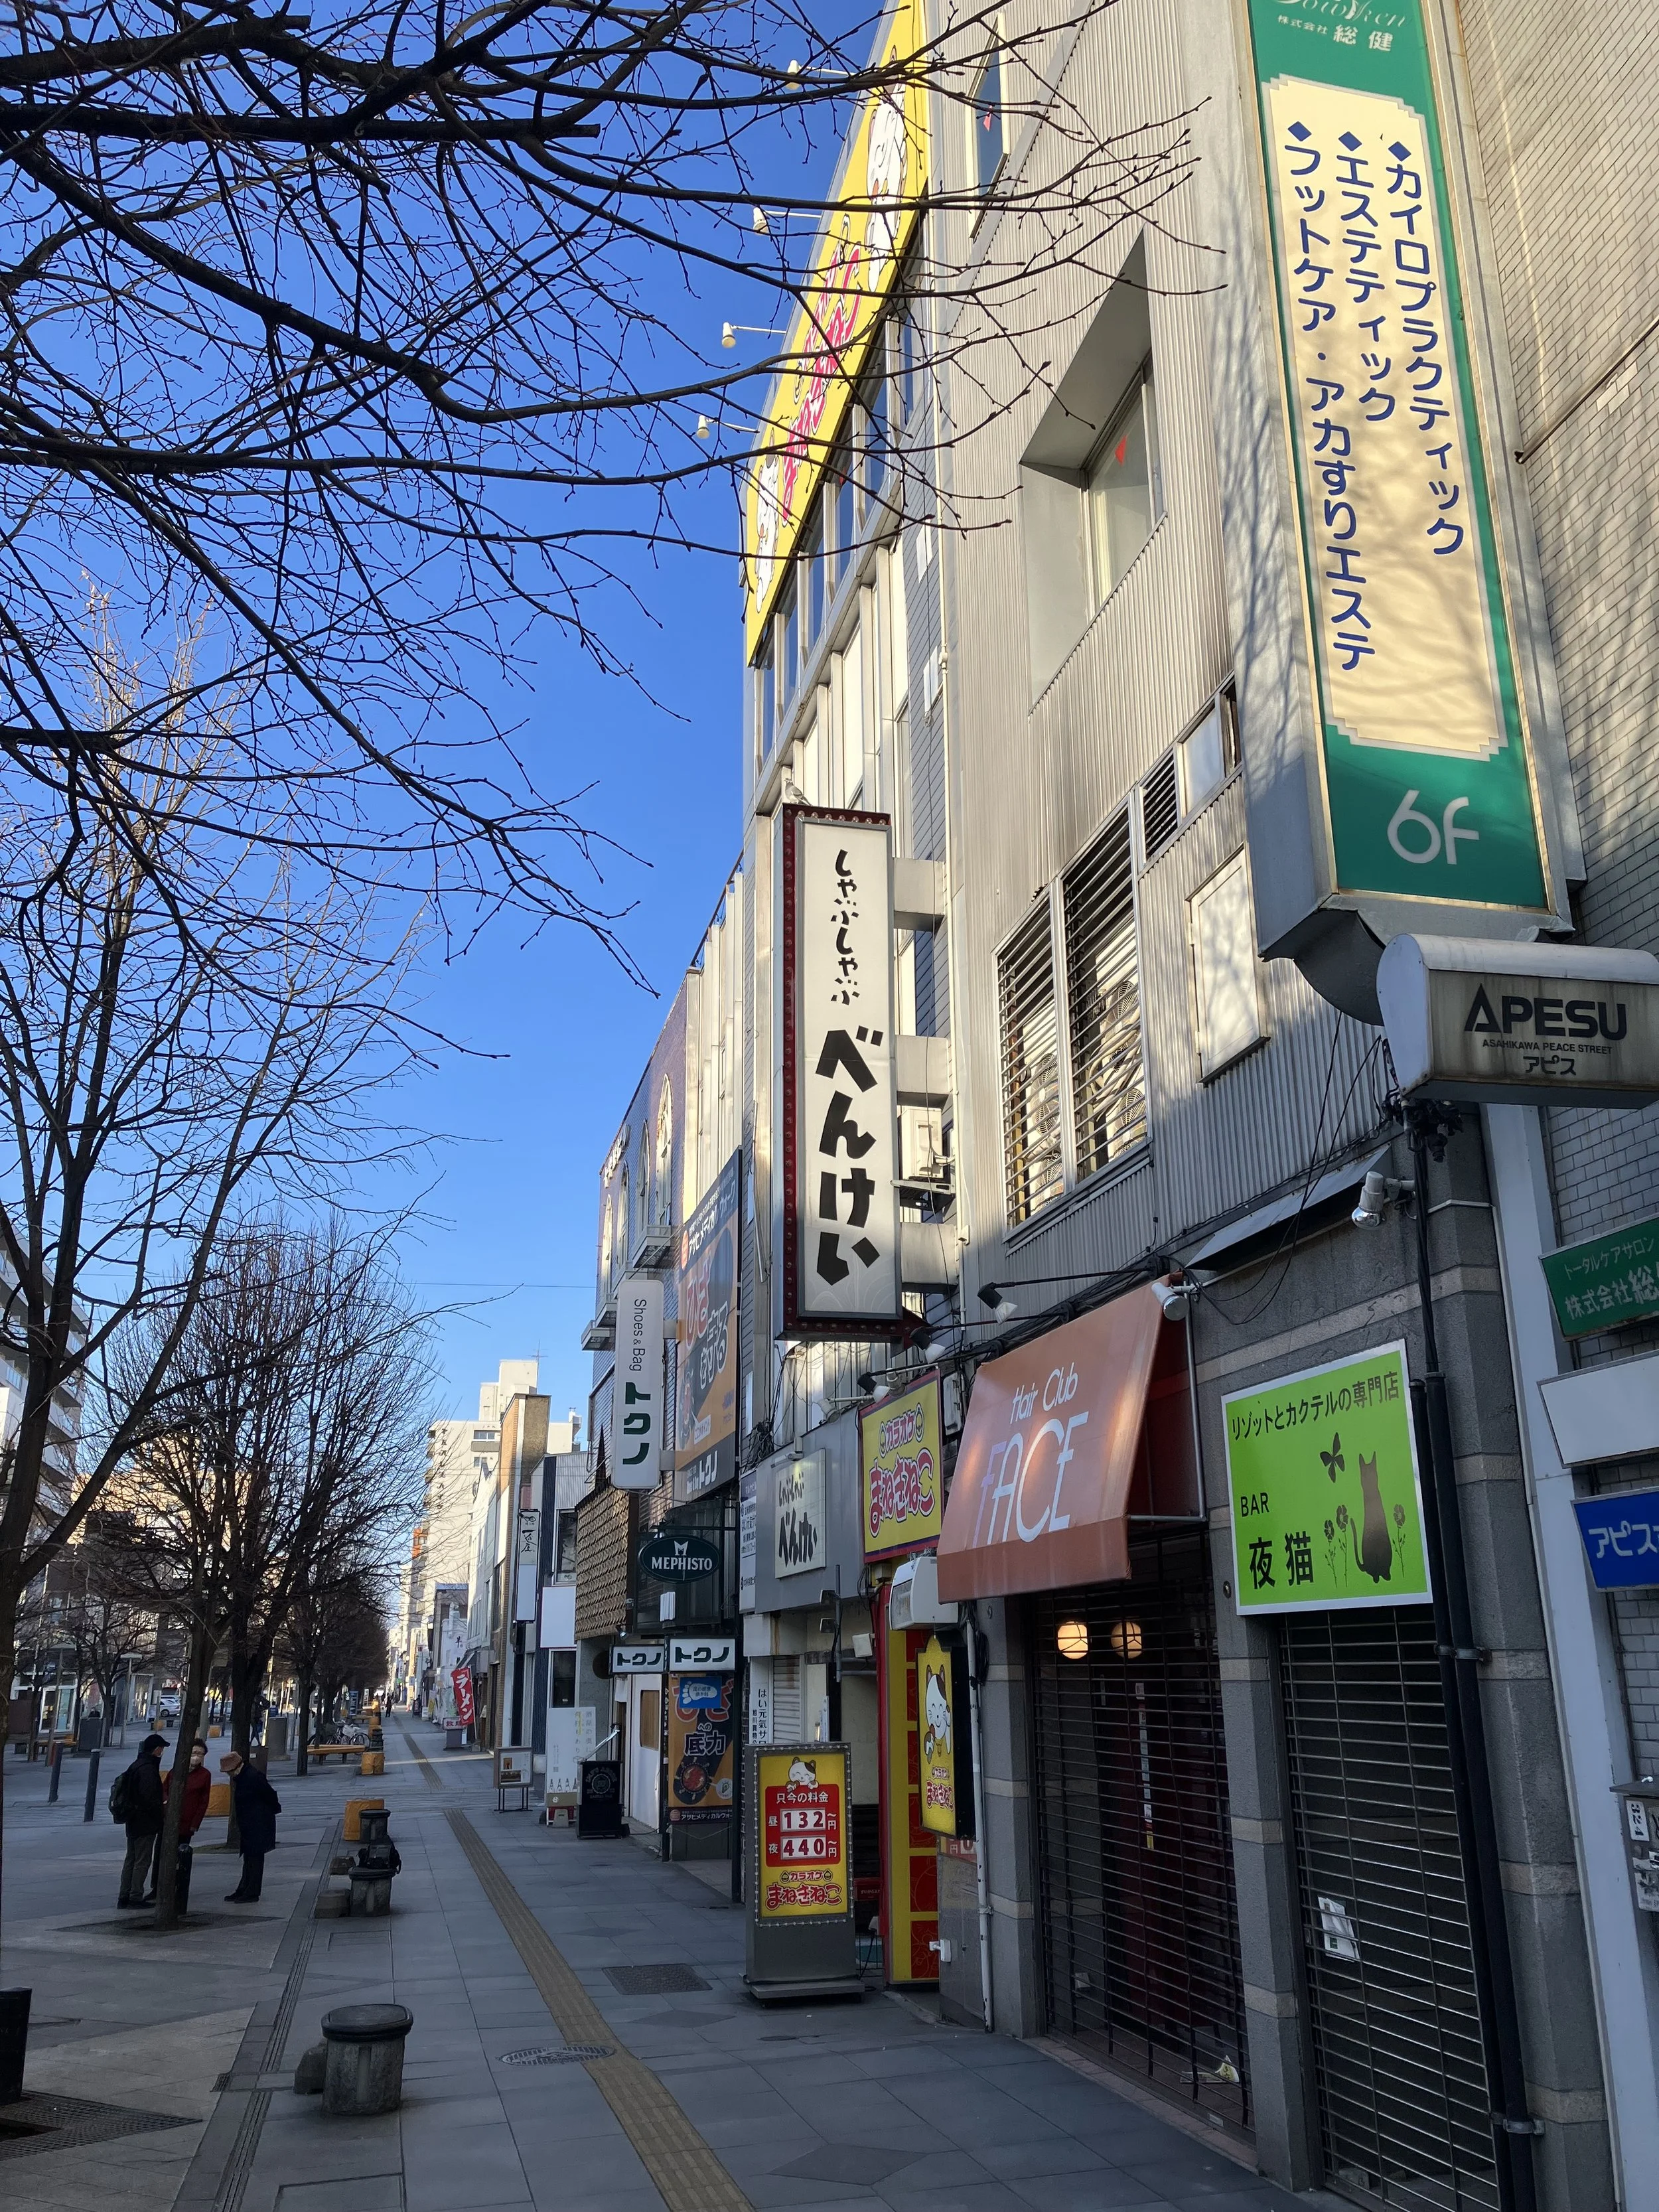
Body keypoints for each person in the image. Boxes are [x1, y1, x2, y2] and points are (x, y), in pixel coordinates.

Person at [115, 1733, 167, 1908]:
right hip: (145, 1822)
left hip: (132, 1819)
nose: (162, 1752)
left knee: (131, 1858)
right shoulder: (148, 1769)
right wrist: (159, 1818)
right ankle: (135, 1896)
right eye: (161, 1749)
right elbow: (150, 1799)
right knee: (142, 1861)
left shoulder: (136, 1765)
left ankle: (124, 1895)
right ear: (156, 1750)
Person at [221, 1750, 281, 1901]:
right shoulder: (243, 1777)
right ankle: (244, 1888)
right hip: (250, 1822)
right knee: (249, 1857)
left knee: (255, 1858)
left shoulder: (252, 1777)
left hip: (258, 1822)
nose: (229, 1775)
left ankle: (252, 1892)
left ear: (236, 1767)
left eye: (229, 1771)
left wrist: (271, 1810)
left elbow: (270, 1795)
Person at [167, 1739, 213, 1912]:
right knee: (164, 1856)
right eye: (194, 1753)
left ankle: (178, 1887)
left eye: (200, 1754)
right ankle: (160, 1887)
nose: (196, 1757)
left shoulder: (204, 1775)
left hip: (188, 1823)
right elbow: (165, 1790)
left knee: (182, 1855)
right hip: (170, 1822)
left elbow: (204, 1801)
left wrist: (196, 1823)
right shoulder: (176, 1771)